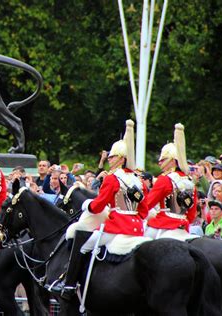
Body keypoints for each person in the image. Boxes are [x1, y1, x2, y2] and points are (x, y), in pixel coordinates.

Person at [49, 120, 148, 298]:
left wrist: (87, 205)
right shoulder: (139, 180)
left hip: (117, 226)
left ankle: (69, 285)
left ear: (122, 158)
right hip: (137, 227)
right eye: (109, 157)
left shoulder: (112, 178)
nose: (109, 159)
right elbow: (144, 211)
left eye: (112, 157)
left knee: (83, 246)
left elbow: (98, 206)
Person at [144, 123, 198, 240]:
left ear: (173, 161)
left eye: (163, 159)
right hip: (183, 226)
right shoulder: (190, 182)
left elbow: (147, 204)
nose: (159, 163)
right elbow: (192, 214)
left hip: (164, 225)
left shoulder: (165, 179)